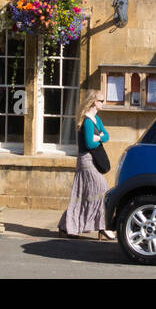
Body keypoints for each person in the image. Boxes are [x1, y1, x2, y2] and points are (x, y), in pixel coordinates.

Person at [58, 91, 111, 240]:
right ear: (94, 102)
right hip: (86, 160)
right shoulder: (87, 121)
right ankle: (100, 227)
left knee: (85, 194)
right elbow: (89, 143)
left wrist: (98, 137)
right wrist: (98, 138)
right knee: (101, 189)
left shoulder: (96, 119)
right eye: (101, 100)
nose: (103, 103)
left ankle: (66, 226)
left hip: (93, 159)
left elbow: (106, 136)